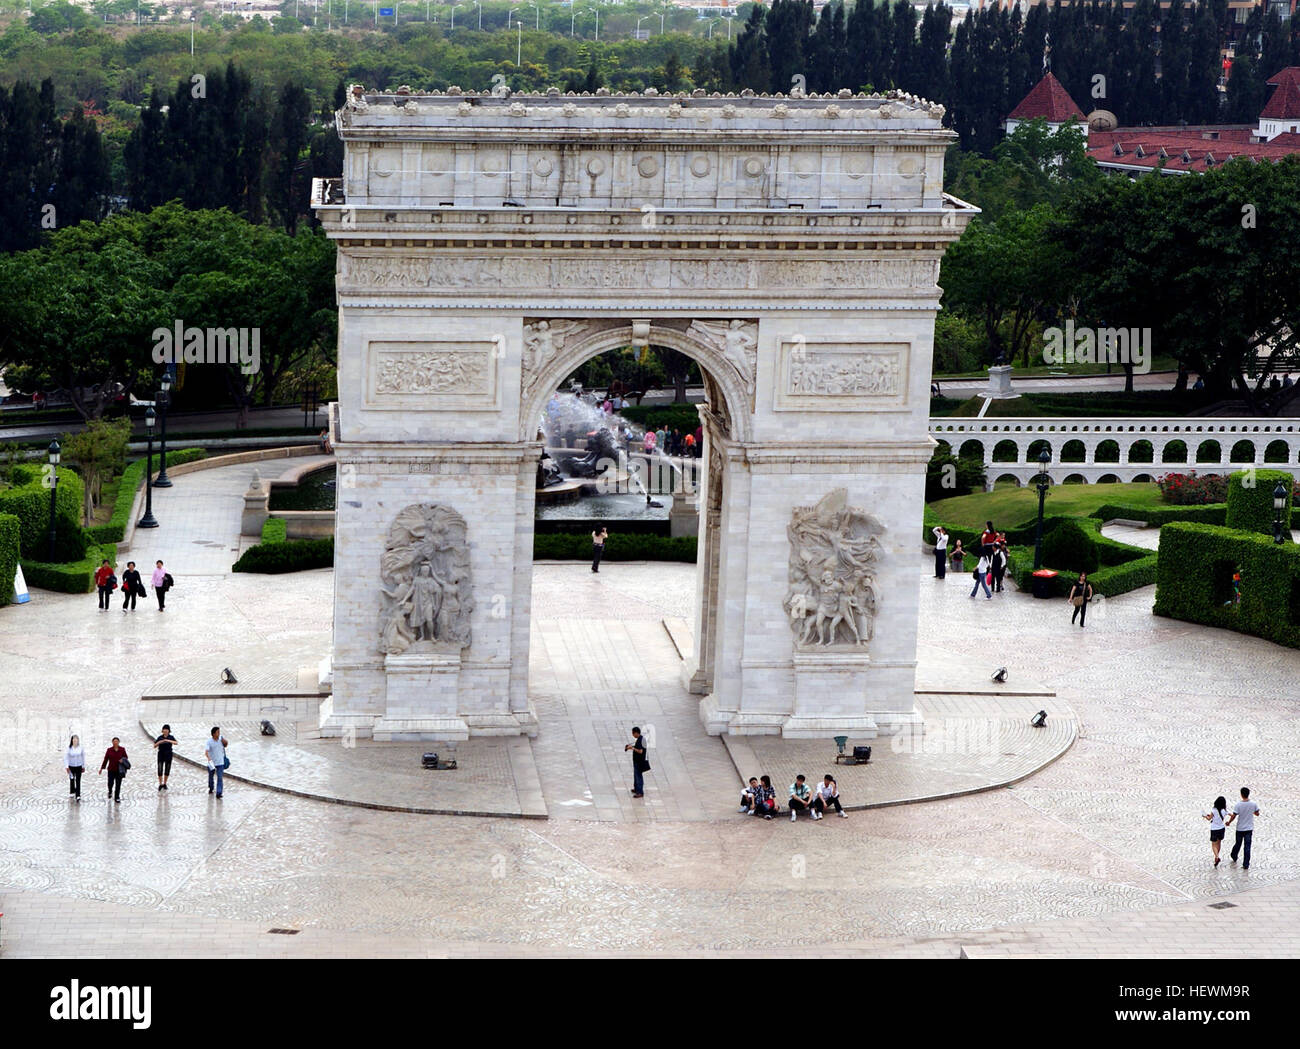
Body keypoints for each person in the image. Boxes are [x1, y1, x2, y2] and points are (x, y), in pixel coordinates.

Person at [1227, 787, 1260, 869]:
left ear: (1241, 794)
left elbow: (1234, 815)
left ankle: (1234, 855)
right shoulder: (1253, 804)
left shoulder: (1238, 805)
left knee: (1238, 843)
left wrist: (1229, 822)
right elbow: (1257, 813)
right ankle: (1246, 864)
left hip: (1240, 828)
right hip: (1249, 828)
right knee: (1247, 846)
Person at [99, 737, 127, 802]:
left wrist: (122, 760)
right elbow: (105, 759)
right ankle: (110, 791)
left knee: (118, 784)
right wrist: (102, 768)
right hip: (111, 769)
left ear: (119, 742)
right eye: (114, 741)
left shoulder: (122, 749)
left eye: (117, 741)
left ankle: (117, 796)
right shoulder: (109, 750)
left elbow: (126, 757)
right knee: (110, 783)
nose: (115, 742)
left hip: (119, 770)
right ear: (112, 742)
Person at [1204, 795, 1229, 867]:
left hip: (1214, 829)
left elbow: (1209, 818)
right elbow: (1231, 814)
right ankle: (1216, 856)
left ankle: (1217, 857)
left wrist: (1205, 816)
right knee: (1219, 843)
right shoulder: (1224, 810)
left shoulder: (1214, 810)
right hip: (1221, 828)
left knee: (1213, 844)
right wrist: (1228, 822)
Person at [625, 726, 648, 798]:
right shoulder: (640, 739)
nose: (632, 735)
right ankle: (636, 788)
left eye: (633, 733)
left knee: (638, 777)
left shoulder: (641, 740)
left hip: (639, 762)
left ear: (636, 733)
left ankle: (640, 792)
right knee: (636, 776)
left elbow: (640, 751)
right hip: (637, 761)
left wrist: (632, 748)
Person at [205, 726, 228, 798]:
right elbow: (206, 751)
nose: (219, 733)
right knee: (211, 777)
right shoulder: (209, 741)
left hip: (220, 762)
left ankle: (219, 792)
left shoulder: (221, 738)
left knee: (220, 778)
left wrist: (224, 740)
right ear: (214, 734)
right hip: (212, 762)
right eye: (218, 732)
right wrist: (209, 758)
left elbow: (226, 744)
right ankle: (211, 788)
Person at [153, 724, 178, 792]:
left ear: (169, 731)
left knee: (167, 768)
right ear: (162, 730)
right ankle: (160, 783)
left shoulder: (171, 737)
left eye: (167, 730)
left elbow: (176, 742)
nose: (165, 731)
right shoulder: (160, 737)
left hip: (168, 754)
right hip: (161, 754)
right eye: (164, 729)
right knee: (160, 768)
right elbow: (154, 745)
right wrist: (160, 742)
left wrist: (168, 741)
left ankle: (165, 783)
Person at [65, 734, 84, 801]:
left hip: (79, 766)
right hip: (71, 766)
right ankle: (72, 791)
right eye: (74, 739)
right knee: (72, 779)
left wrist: (83, 766)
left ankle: (78, 795)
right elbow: (66, 758)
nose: (75, 740)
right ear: (72, 740)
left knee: (78, 780)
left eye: (76, 739)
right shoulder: (69, 748)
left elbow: (83, 757)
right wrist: (66, 766)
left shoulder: (81, 748)